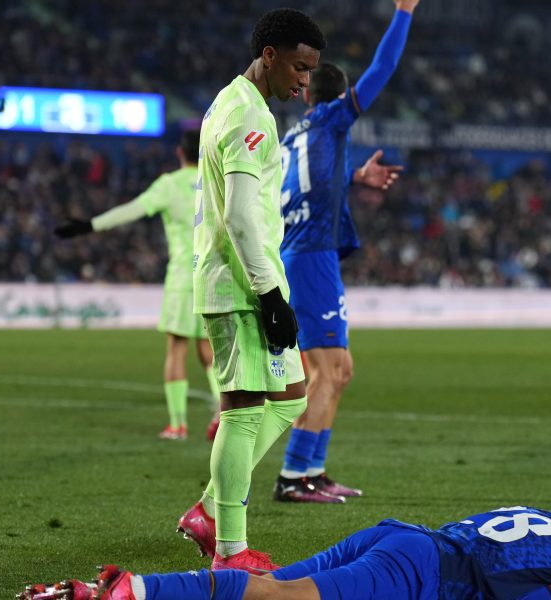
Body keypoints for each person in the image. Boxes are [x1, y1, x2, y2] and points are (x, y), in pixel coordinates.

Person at [174, 8, 326, 573]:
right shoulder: (249, 120)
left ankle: (211, 509)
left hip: (247, 279)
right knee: (242, 410)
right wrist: (268, 295)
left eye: (311, 71)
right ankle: (230, 552)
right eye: (299, 67)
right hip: (240, 285)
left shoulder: (233, 101)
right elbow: (239, 216)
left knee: (293, 398)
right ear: (270, 54)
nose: (304, 81)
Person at [272, 0, 417, 504]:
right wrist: (403, 12)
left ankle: (312, 470)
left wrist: (356, 176)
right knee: (326, 371)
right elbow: (384, 68)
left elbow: (306, 184)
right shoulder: (334, 120)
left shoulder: (298, 135)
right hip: (311, 255)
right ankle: (293, 476)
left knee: (340, 369)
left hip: (305, 252)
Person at [19, 505, 551, 600]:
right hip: (421, 571)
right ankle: (126, 590)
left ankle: (122, 591)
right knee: (281, 596)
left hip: (404, 536)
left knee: (264, 583)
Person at [54, 131, 219, 440]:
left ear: (178, 153)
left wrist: (90, 225)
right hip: (213, 275)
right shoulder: (215, 181)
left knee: (176, 349)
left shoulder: (169, 184)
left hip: (184, 277)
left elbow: (133, 210)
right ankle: (223, 410)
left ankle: (178, 424)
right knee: (209, 350)